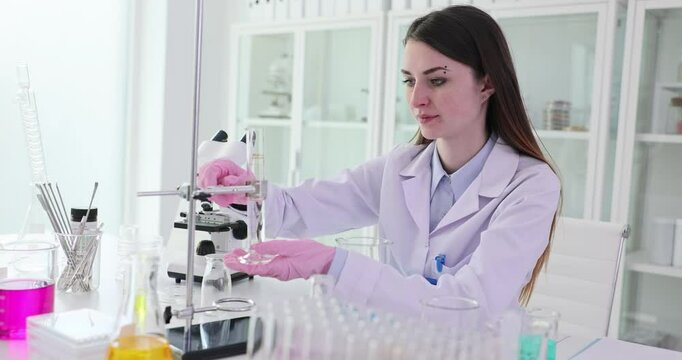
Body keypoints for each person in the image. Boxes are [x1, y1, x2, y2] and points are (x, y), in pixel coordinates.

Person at [199, 5, 561, 322]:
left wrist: (334, 265)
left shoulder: (530, 185)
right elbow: (299, 207)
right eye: (409, 81)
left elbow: (472, 305)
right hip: (395, 342)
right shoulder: (402, 166)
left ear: (487, 84)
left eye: (437, 80)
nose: (417, 99)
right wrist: (243, 191)